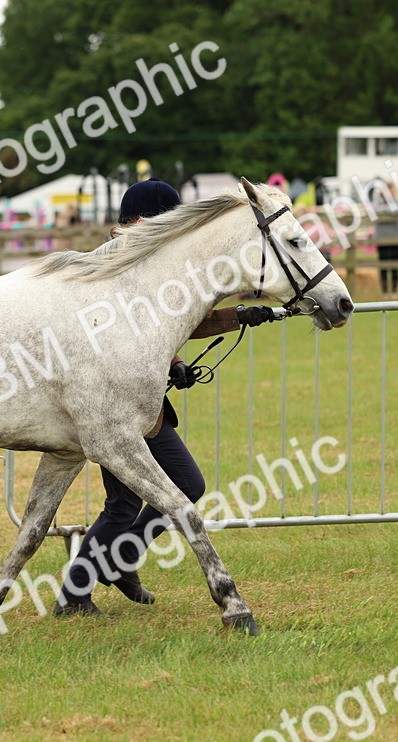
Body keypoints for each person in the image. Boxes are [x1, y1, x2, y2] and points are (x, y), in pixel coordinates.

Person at [54, 178, 261, 616]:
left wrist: (182, 358)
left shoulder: (141, 266)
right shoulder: (124, 266)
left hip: (131, 402)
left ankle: (100, 574)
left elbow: (167, 326)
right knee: (160, 491)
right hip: (117, 404)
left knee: (150, 494)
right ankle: (94, 578)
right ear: (150, 222)